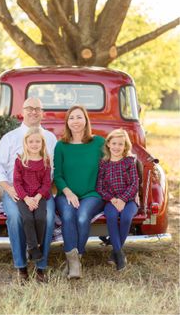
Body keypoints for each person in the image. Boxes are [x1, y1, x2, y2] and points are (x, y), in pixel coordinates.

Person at [0, 98, 57, 283]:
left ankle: (41, 267)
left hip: (42, 191)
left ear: (42, 112)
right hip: (15, 190)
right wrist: (9, 189)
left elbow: (55, 169)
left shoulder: (50, 138)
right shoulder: (10, 138)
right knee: (15, 216)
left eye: (38, 109)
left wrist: (43, 194)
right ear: (23, 111)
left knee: (49, 217)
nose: (34, 112)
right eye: (30, 108)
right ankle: (21, 267)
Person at [54, 105, 105, 279]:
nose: (75, 121)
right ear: (67, 122)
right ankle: (74, 264)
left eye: (79, 117)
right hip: (65, 194)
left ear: (86, 120)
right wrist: (68, 192)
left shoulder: (98, 142)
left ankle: (76, 259)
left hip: (92, 194)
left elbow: (113, 163)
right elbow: (57, 175)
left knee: (82, 216)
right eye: (71, 118)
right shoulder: (61, 146)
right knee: (68, 216)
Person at [96, 128, 139, 271]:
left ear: (125, 146)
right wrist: (113, 199)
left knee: (127, 218)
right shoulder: (104, 163)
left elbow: (134, 184)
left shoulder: (129, 162)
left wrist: (123, 199)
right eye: (114, 143)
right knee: (111, 216)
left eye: (120, 144)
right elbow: (100, 187)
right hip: (111, 201)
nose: (116, 147)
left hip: (130, 200)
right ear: (108, 144)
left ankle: (114, 252)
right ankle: (119, 255)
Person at [13, 127, 51, 263]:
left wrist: (38, 197)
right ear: (26, 143)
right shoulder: (20, 161)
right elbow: (17, 182)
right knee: (28, 219)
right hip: (24, 197)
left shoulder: (46, 161)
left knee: (41, 218)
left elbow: (47, 183)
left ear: (42, 144)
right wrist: (27, 198)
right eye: (31, 142)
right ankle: (33, 248)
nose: (34, 144)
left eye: (37, 141)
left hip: (39, 196)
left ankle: (37, 245)